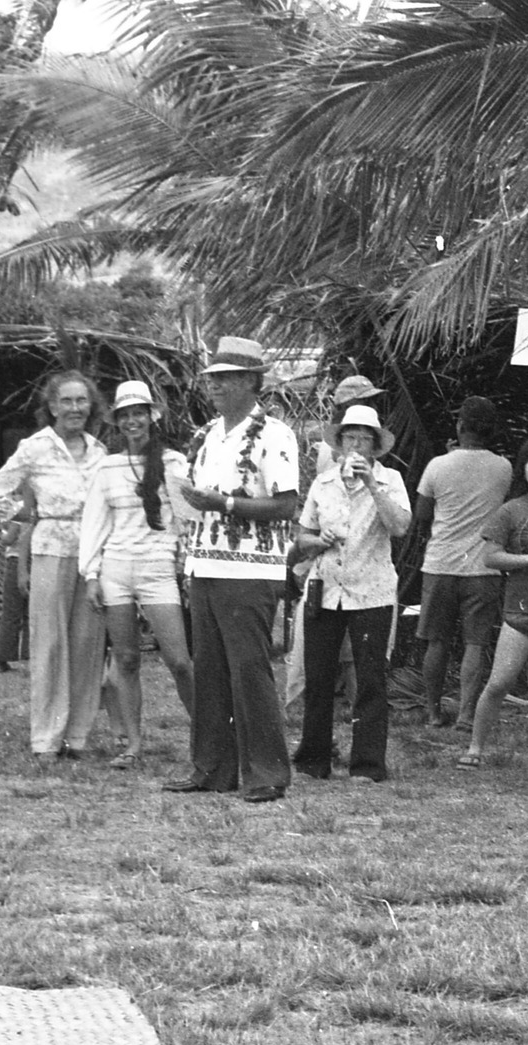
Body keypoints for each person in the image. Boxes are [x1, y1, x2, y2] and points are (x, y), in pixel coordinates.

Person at [166, 335, 304, 803]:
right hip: (206, 563)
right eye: (213, 379)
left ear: (250, 381)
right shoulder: (206, 434)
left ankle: (266, 772)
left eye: (225, 379)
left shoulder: (274, 434)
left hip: (251, 569)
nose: (215, 387)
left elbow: (286, 505)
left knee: (248, 670)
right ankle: (213, 768)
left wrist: (223, 503)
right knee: (210, 671)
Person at [0, 370, 109, 761]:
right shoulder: (34, 448)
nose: (74, 409)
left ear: (92, 405)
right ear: (51, 406)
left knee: (87, 644)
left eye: (81, 401)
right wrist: (29, 516)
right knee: (49, 644)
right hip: (50, 548)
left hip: (92, 555)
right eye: (66, 401)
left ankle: (78, 736)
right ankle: (46, 738)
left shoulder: (100, 451)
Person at [77, 380, 196, 768]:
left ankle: (207, 734)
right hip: (116, 568)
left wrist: (187, 564)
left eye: (138, 414)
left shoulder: (174, 462)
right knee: (126, 659)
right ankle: (133, 744)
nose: (133, 422)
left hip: (159, 566)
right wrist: (91, 574)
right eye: (125, 415)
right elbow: (95, 523)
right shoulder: (107, 467)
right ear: (118, 422)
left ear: (151, 417)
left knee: (179, 660)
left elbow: (187, 521)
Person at [291, 403, 411, 782]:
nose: (356, 446)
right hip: (325, 589)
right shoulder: (323, 483)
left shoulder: (390, 480)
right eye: (350, 438)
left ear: (375, 447)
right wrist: (316, 540)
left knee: (371, 678)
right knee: (319, 676)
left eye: (364, 439)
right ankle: (314, 759)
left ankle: (367, 764)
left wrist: (373, 486)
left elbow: (400, 527)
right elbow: (301, 536)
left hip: (371, 590)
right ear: (339, 444)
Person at [457, 434, 528, 771]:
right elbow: (491, 557)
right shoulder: (511, 510)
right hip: (521, 610)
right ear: (523, 469)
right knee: (500, 682)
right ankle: (476, 746)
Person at [413, 397, 514, 732]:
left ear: (460, 426)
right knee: (475, 643)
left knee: (437, 642)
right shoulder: (503, 467)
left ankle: (432, 711)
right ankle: (467, 715)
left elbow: (422, 515)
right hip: (483, 569)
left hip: (440, 564)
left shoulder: (437, 466)